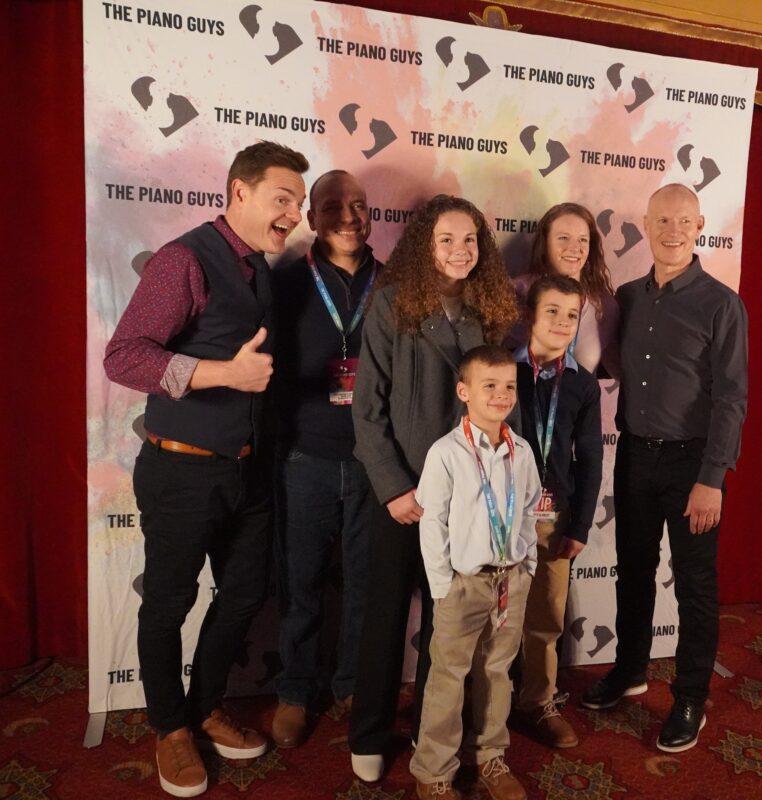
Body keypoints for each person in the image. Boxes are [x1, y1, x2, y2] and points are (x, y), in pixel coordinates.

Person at [103, 141, 310, 797]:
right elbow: (124, 357)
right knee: (168, 603)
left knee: (247, 594)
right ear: (239, 191)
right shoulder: (183, 260)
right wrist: (223, 373)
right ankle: (170, 728)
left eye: (300, 204)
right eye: (283, 199)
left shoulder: (264, 271)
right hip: (181, 472)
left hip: (247, 475)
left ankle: (205, 705)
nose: (294, 216)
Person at [349, 195, 517, 782]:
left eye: (469, 239)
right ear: (425, 244)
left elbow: (496, 404)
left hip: (463, 502)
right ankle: (368, 730)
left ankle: (431, 731)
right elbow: (366, 411)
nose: (459, 250)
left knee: (448, 626)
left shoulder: (489, 311)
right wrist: (395, 488)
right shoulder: (392, 304)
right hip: (402, 497)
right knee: (386, 614)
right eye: (446, 239)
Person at [580, 184, 748, 754]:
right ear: (645, 227)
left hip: (693, 464)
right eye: (661, 222)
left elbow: (731, 399)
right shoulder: (628, 297)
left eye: (682, 221)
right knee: (632, 569)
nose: (672, 231)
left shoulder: (722, 304)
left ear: (699, 225)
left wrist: (712, 478)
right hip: (634, 454)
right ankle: (630, 670)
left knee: (696, 586)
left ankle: (691, 698)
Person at [269, 170, 379, 747]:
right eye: (333, 206)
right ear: (312, 217)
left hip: (372, 463)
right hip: (304, 457)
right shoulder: (286, 280)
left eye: (359, 205)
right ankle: (294, 690)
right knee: (301, 582)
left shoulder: (390, 285)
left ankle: (352, 685)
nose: (348, 216)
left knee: (365, 582)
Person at [411, 345, 541, 800]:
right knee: (448, 675)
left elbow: (527, 510)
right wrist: (443, 586)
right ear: (464, 391)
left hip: (510, 581)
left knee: (498, 671)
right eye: (490, 385)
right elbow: (432, 522)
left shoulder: (522, 451)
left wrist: (526, 564)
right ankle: (434, 770)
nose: (502, 394)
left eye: (509, 385)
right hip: (463, 585)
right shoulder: (445, 453)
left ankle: (490, 756)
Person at [512, 276, 602, 749]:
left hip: (553, 517)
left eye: (572, 315)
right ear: (530, 314)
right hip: (500, 514)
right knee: (491, 616)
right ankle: (482, 707)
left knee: (545, 617)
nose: (563, 323)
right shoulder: (500, 370)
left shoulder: (582, 386)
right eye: (552, 311)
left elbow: (589, 458)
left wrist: (581, 525)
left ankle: (537, 702)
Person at [507, 203, 620, 378]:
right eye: (563, 238)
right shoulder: (517, 293)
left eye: (582, 239)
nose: (574, 247)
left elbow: (621, 370)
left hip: (578, 405)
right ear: (545, 243)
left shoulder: (605, 306)